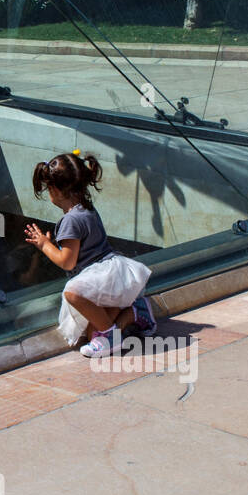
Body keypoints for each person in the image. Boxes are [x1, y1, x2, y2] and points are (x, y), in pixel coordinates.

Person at [23, 150, 156, 359]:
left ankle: (111, 337)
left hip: (99, 276)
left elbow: (67, 262)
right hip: (109, 273)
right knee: (91, 334)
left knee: (71, 293)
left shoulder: (70, 221)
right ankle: (135, 312)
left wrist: (44, 244)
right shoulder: (87, 208)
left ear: (54, 189)